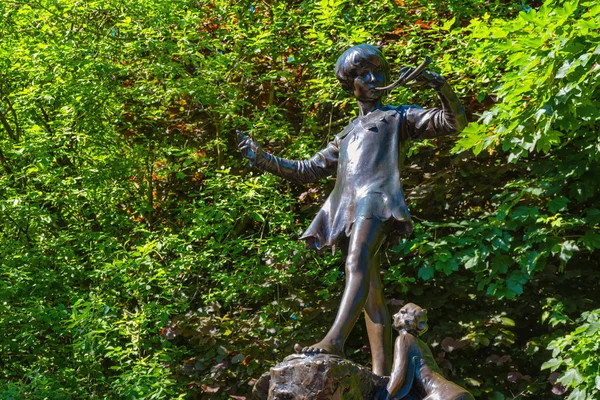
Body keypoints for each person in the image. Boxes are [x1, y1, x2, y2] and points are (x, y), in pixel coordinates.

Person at [237, 44, 466, 376]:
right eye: (363, 75)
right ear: (350, 84)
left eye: (378, 73)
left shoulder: (398, 116)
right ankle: (382, 376)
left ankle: (334, 340)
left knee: (356, 259)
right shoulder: (345, 135)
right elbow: (306, 169)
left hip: (377, 200)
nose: (373, 80)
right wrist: (261, 157)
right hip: (348, 207)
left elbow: (452, 123)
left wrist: (440, 87)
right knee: (372, 293)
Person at [384, 303, 474, 400]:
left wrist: (386, 396)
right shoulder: (422, 344)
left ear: (406, 318)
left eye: (400, 312)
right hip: (457, 391)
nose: (394, 316)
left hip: (442, 394)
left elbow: (398, 374)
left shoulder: (404, 339)